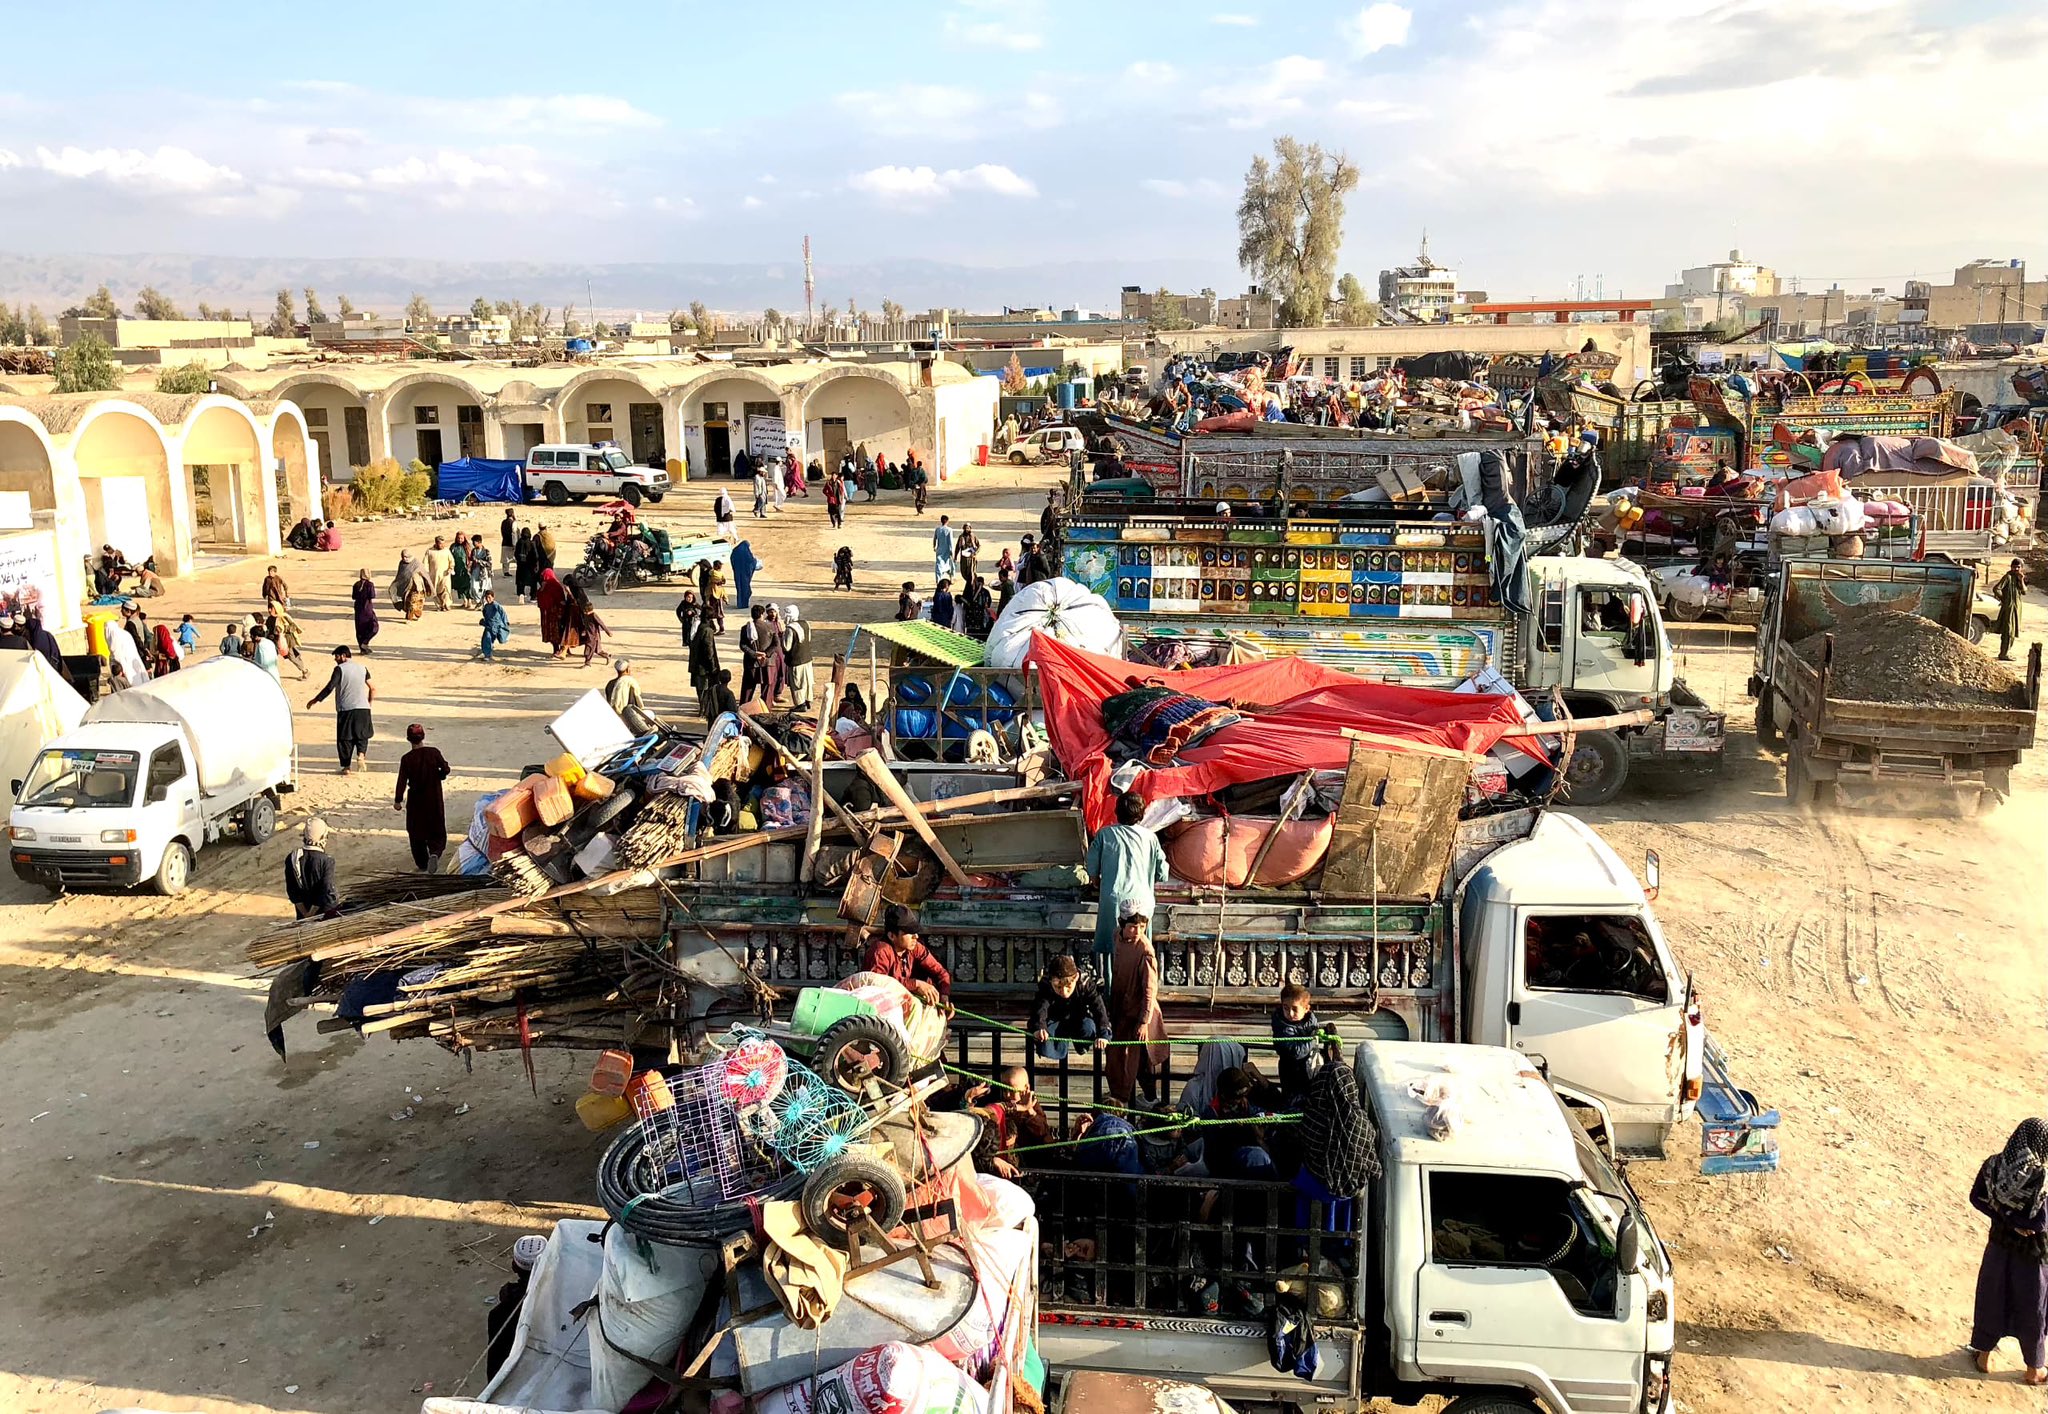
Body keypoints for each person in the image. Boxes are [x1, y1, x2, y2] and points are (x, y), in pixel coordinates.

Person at [1968, 1119, 2048, 1382]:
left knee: (1993, 1298)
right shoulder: (2041, 1178)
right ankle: (2034, 1369)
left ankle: (1984, 1356)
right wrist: (2020, 1224)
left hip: (1998, 1246)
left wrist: (2005, 1218)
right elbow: (2040, 1223)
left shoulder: (1994, 1165)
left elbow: (1976, 1197)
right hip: (2034, 1256)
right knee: (2032, 1307)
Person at [1083, 791, 1170, 984]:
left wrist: (1098, 882)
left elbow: (1092, 870)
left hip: (1113, 902)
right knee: (1141, 952)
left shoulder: (1104, 834)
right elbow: (1162, 873)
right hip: (1144, 904)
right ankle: (1140, 996)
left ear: (1117, 812)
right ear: (1141, 814)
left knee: (1112, 954)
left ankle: (1111, 999)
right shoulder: (1151, 838)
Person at [1106, 907, 1167, 1104]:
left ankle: (1149, 1099)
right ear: (1123, 925)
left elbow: (1149, 990)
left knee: (1140, 1058)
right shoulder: (1118, 936)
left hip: (1139, 1012)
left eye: (1142, 926)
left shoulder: (1145, 950)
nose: (1137, 931)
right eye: (1133, 926)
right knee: (1117, 1057)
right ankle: (1119, 1098)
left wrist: (1143, 1021)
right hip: (1120, 1007)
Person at [1029, 953, 1110, 1062]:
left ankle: (1082, 1046)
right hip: (1055, 1018)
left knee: (1089, 1027)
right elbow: (1040, 1009)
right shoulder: (1046, 986)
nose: (1064, 992)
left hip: (1079, 1017)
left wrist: (1103, 1034)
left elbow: (1098, 1008)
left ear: (1076, 977)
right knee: (1045, 1038)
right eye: (1058, 987)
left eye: (1068, 986)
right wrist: (1039, 1028)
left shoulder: (1085, 984)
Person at [393, 724, 451, 872]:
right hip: (434, 797)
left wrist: (398, 800)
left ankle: (423, 863)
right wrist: (440, 775)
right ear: (423, 736)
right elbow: (445, 769)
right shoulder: (434, 752)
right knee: (436, 827)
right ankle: (435, 852)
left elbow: (402, 781)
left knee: (416, 831)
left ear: (408, 739)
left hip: (416, 800)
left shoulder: (407, 759)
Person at [860, 907, 952, 999]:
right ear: (892, 936)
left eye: (915, 932)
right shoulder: (880, 952)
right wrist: (915, 984)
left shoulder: (915, 948)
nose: (916, 936)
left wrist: (944, 996)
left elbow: (941, 973)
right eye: (910, 933)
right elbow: (877, 985)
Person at [309, 645, 374, 773]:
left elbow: (330, 687)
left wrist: (315, 700)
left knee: (345, 738)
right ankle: (361, 755)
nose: (335, 659)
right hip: (363, 708)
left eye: (337, 656)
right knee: (362, 735)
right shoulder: (363, 668)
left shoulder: (339, 669)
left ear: (344, 656)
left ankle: (346, 767)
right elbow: (373, 687)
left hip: (346, 708)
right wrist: (369, 703)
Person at [1270, 981, 1320, 1100]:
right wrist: (1314, 1039)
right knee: (1293, 1102)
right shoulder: (1282, 1026)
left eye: (1295, 1009)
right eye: (1286, 1008)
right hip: (1291, 1072)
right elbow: (1297, 1052)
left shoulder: (1311, 1020)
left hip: (1310, 1069)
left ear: (1306, 1009)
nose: (1290, 1013)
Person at [284, 818, 340, 919]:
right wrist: (311, 914)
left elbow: (292, 891)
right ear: (323, 837)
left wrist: (305, 915)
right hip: (324, 915)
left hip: (303, 913)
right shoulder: (327, 861)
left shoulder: (292, 858)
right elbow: (326, 891)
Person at [605, 659, 659, 734]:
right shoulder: (630, 682)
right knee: (651, 714)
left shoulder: (610, 684)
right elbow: (635, 704)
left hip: (615, 716)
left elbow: (609, 701)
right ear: (627, 669)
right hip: (628, 717)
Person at [690, 616, 725, 718]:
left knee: (700, 689)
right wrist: (713, 666)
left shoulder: (697, 627)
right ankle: (704, 710)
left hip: (696, 664)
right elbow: (709, 650)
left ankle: (703, 708)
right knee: (705, 688)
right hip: (704, 667)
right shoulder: (707, 631)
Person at [782, 604, 814, 709]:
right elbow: (808, 639)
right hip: (807, 658)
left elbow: (787, 647)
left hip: (795, 660)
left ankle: (800, 704)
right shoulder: (806, 624)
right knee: (807, 681)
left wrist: (781, 637)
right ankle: (808, 700)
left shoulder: (790, 629)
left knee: (797, 683)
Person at [1994, 560, 2027, 661]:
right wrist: (2004, 599)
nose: (2016, 569)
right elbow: (1996, 588)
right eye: (2014, 567)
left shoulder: (2019, 578)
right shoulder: (2007, 577)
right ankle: (2003, 654)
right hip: (2009, 609)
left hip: (2016, 609)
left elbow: (2024, 591)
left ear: (2021, 568)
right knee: (2008, 631)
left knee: (2012, 632)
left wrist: (2021, 580)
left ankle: (2006, 652)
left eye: (2018, 567)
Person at [739, 605, 770, 704]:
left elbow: (743, 645)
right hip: (766, 661)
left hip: (750, 661)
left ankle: (743, 708)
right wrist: (765, 654)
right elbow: (776, 644)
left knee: (748, 687)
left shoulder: (745, 628)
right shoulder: (769, 627)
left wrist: (754, 654)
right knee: (766, 686)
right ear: (762, 614)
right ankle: (765, 709)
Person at [536, 568, 567, 654]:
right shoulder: (556, 585)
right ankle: (562, 650)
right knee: (559, 631)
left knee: (551, 632)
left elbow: (539, 600)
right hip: (556, 614)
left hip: (546, 614)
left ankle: (557, 649)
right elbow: (561, 600)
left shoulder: (543, 587)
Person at [351, 569, 380, 655]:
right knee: (374, 626)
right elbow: (372, 595)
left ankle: (362, 648)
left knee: (360, 629)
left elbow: (354, 597)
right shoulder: (370, 585)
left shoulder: (356, 584)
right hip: (367, 609)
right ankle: (365, 643)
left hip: (358, 609)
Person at [423, 536, 454, 611]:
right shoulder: (430, 551)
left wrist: (451, 568)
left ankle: (447, 604)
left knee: (446, 590)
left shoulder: (446, 551)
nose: (442, 545)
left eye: (443, 543)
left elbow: (451, 561)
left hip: (445, 575)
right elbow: (425, 563)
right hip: (434, 575)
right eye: (440, 543)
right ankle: (440, 605)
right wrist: (425, 573)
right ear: (436, 543)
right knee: (435, 591)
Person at [478, 589, 511, 661]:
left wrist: (506, 622)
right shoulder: (486, 606)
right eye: (486, 598)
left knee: (501, 639)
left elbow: (503, 613)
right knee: (487, 638)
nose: (488, 599)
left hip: (497, 626)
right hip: (489, 626)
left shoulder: (496, 605)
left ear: (493, 597)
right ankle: (487, 655)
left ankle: (490, 648)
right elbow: (485, 615)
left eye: (489, 597)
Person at [960, 574, 994, 638]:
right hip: (972, 616)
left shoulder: (985, 592)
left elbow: (988, 603)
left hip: (980, 616)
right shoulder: (971, 591)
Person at [730, 541, 758, 610]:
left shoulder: (735, 551)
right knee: (745, 589)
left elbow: (732, 560)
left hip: (738, 573)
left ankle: (740, 603)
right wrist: (755, 561)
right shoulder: (747, 553)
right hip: (745, 575)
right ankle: (744, 603)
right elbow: (751, 562)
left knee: (740, 588)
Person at [449, 532, 474, 608]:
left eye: (461, 538)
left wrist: (470, 566)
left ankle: (469, 601)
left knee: (467, 585)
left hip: (466, 569)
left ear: (464, 538)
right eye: (458, 538)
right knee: (459, 586)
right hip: (457, 569)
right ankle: (464, 601)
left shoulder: (468, 546)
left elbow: (471, 557)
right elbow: (450, 557)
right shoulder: (453, 547)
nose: (460, 540)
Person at [513, 527, 538, 603]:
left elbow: (516, 554)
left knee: (520, 581)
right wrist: (535, 564)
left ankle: (521, 595)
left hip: (521, 566)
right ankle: (533, 597)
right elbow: (535, 555)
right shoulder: (531, 543)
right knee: (533, 582)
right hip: (530, 566)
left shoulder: (519, 542)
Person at [931, 514, 956, 583]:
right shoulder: (949, 530)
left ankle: (938, 580)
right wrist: (952, 551)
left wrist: (934, 547)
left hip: (939, 550)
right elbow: (950, 541)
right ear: (947, 521)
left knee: (939, 566)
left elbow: (934, 539)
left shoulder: (938, 529)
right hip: (947, 550)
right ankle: (951, 578)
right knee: (950, 564)